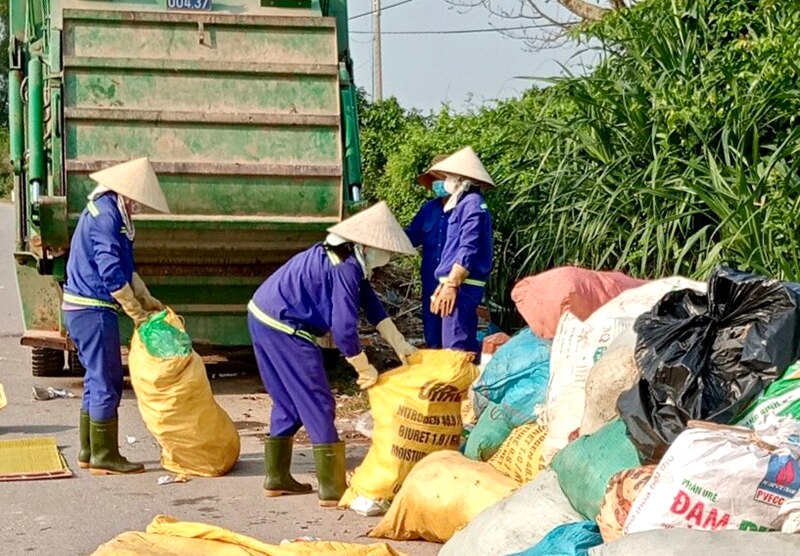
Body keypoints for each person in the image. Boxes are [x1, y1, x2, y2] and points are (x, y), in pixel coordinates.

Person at [247, 201, 417, 506]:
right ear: (366, 245)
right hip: (284, 325)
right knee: (317, 399)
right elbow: (343, 330)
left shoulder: (346, 257)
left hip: (261, 314)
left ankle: (276, 478)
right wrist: (363, 367)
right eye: (384, 251)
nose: (386, 259)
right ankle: (333, 488)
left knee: (288, 401)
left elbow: (372, 305)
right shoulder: (347, 268)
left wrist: (399, 342)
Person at [62, 157, 170, 475]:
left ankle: (88, 450)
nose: (136, 205)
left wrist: (146, 298)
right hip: (92, 309)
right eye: (135, 199)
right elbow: (110, 271)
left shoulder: (105, 208)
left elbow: (125, 266)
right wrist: (134, 310)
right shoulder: (107, 215)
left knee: (95, 380)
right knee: (108, 381)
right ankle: (105, 455)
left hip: (80, 309)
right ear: (125, 192)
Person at [418, 147, 495, 361]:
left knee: (454, 350)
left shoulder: (471, 205)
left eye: (449, 176)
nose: (445, 181)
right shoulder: (461, 204)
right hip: (454, 283)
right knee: (458, 344)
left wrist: (451, 284)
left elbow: (468, 247)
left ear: (462, 179)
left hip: (461, 285)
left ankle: (455, 391)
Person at [405, 155, 450, 349]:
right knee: (432, 336)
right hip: (430, 283)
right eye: (435, 179)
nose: (437, 184)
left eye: (441, 178)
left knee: (453, 337)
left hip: (454, 285)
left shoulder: (465, 210)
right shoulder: (428, 210)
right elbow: (411, 238)